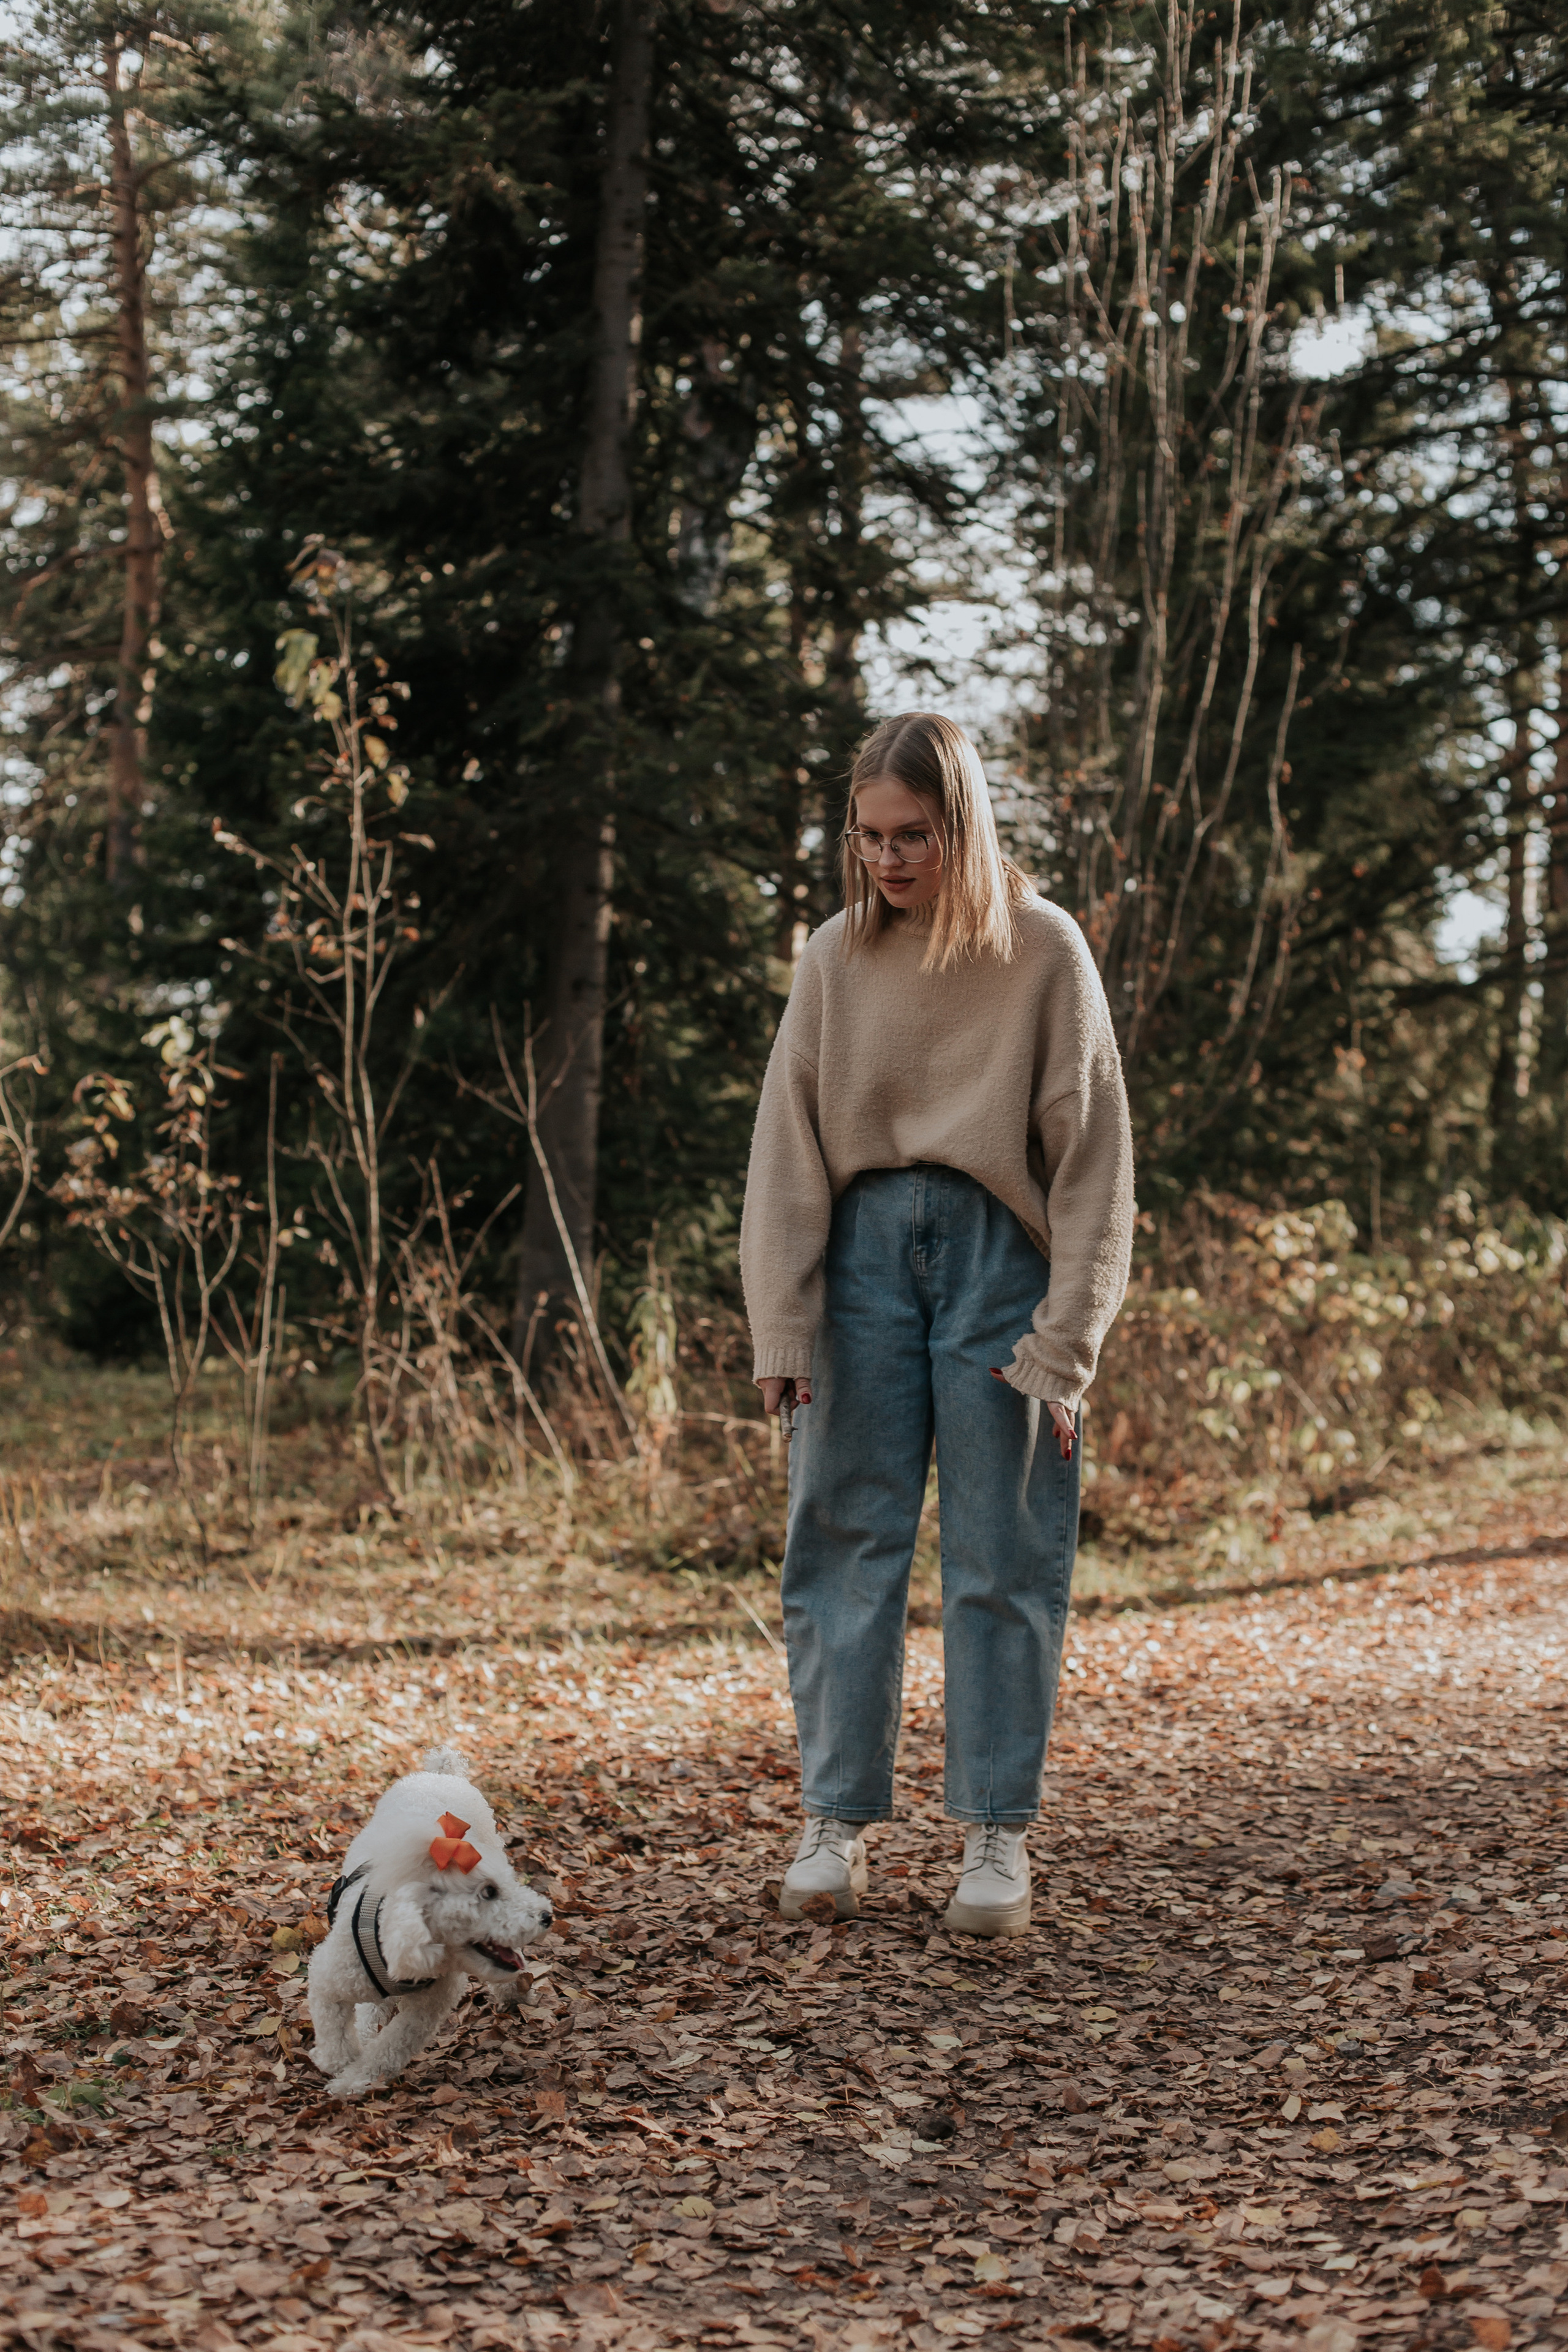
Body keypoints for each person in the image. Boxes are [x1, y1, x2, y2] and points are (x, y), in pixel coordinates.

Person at [739, 711, 1134, 1937]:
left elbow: (1091, 1161)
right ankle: (834, 1821)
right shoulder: (832, 959)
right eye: (867, 838)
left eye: (911, 835)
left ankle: (993, 1838)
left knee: (1001, 1554)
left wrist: (1067, 1341)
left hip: (994, 1263)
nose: (888, 860)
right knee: (841, 1545)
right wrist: (782, 1327)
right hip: (856, 1261)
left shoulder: (1043, 950)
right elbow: (785, 1157)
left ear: (960, 824)